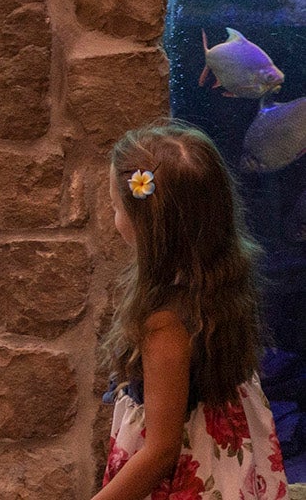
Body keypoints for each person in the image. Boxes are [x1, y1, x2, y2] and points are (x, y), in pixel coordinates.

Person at [97, 122, 288, 500]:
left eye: (117, 208)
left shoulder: (165, 321)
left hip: (190, 478)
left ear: (148, 226)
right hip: (229, 467)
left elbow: (161, 451)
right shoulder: (218, 285)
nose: (114, 216)